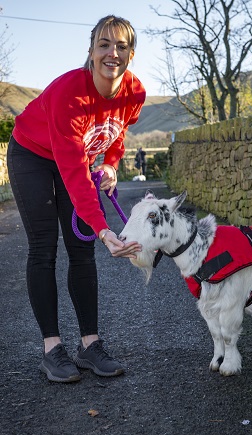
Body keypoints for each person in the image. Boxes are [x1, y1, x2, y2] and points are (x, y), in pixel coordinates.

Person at [7, 15, 145, 383]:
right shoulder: (72, 93)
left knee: (81, 250)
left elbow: (116, 135)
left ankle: (90, 344)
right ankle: (52, 349)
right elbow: (73, 174)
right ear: (91, 50)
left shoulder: (135, 92)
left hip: (74, 159)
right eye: (104, 44)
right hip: (32, 155)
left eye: (120, 46)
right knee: (43, 247)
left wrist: (113, 165)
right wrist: (104, 229)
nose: (111, 53)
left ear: (131, 54)